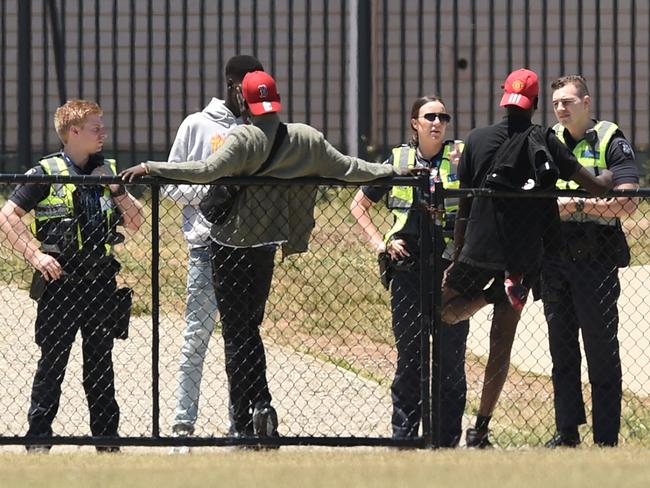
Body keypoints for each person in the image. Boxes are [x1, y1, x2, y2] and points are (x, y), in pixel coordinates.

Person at [120, 70, 412, 442]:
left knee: (236, 334)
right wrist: (395, 171)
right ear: (277, 100)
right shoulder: (306, 139)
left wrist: (152, 167)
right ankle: (257, 408)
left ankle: (249, 417)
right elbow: (351, 168)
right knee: (248, 329)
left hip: (228, 246)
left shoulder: (241, 138)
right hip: (266, 248)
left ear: (243, 102)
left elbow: (205, 171)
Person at [440, 68, 613, 448]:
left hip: (476, 250)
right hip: (521, 260)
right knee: (500, 346)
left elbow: (465, 203)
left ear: (504, 98)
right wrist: (613, 179)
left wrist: (456, 252)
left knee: (439, 312)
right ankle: (479, 429)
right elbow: (596, 186)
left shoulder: (477, 139)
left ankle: (490, 296)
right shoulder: (545, 141)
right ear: (535, 105)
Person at [0, 99, 144, 452]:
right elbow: (7, 216)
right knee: (52, 365)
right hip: (61, 284)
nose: (103, 133)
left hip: (100, 284)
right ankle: (38, 441)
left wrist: (115, 188)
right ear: (73, 132)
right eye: (96, 128)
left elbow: (138, 221)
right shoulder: (46, 172)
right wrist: (36, 255)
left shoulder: (108, 170)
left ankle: (107, 443)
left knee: (100, 368)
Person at [350, 96, 469, 447]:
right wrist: (381, 244)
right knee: (410, 359)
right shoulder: (399, 159)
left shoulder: (460, 158)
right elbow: (359, 204)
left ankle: (446, 440)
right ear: (414, 123)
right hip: (408, 270)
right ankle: (404, 437)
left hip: (449, 269)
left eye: (443, 117)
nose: (438, 122)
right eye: (430, 116)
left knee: (451, 361)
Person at [162, 55, 264, 446]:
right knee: (196, 336)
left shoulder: (255, 128)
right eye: (246, 87)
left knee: (243, 338)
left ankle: (244, 421)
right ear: (231, 84)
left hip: (247, 249)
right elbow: (170, 185)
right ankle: (183, 423)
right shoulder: (197, 125)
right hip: (206, 247)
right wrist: (214, 191)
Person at [542, 75, 639, 448]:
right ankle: (566, 433)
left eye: (568, 101)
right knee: (561, 351)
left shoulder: (610, 140)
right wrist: (594, 197)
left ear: (587, 101)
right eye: (556, 104)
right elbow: (537, 200)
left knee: (600, 350)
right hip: (556, 259)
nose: (561, 109)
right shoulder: (548, 141)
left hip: (596, 260)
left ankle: (605, 438)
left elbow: (629, 201)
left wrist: (577, 205)